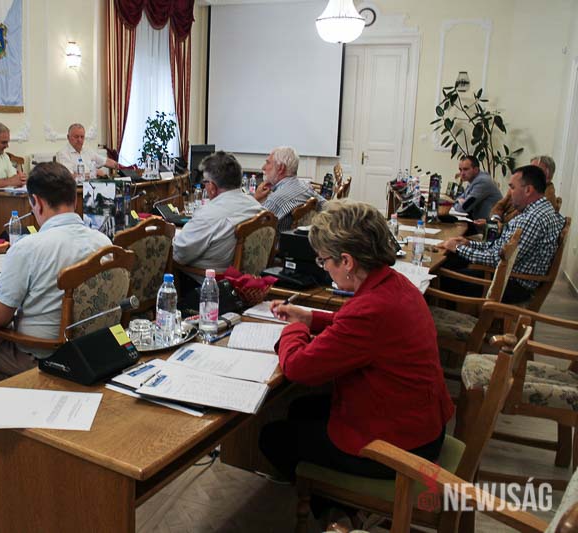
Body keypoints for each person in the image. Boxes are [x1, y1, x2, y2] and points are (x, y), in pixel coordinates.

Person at [259, 201, 453, 492]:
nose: (324, 268)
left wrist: (294, 328)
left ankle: (335, 508)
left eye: (324, 261)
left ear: (347, 262)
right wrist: (310, 317)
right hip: (420, 424)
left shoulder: (370, 309)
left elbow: (298, 367)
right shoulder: (395, 283)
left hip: (399, 448)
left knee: (273, 437)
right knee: (301, 408)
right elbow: (357, 330)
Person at [0, 161, 111, 376]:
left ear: (37, 203)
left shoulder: (26, 248)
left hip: (42, 358)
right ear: (75, 199)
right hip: (92, 349)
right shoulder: (104, 242)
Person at [437, 164, 566, 303]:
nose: (509, 193)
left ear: (528, 190)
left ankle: (449, 315)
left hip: (510, 284)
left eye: (512, 187)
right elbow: (499, 247)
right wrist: (469, 244)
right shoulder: (539, 210)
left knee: (439, 276)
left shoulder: (532, 219)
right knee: (451, 260)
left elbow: (497, 260)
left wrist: (458, 248)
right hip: (508, 275)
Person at [172, 151, 263, 282]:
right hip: (250, 284)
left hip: (206, 283)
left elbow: (178, 255)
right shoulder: (257, 207)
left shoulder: (208, 215)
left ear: (212, 187)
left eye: (205, 182)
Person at [253, 146, 326, 232]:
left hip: (281, 240)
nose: (263, 167)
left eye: (268, 163)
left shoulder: (275, 200)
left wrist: (255, 199)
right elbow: (328, 207)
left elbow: (252, 230)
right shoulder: (305, 187)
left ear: (281, 168)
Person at [484, 155, 559, 224]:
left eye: (534, 170)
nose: (529, 173)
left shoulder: (545, 198)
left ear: (547, 174)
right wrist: (495, 219)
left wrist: (498, 226)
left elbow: (520, 223)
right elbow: (499, 206)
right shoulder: (517, 188)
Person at [452, 155, 502, 221]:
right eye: (460, 170)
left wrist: (459, 202)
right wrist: (459, 201)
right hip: (478, 222)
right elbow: (459, 199)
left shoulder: (482, 181)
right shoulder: (473, 180)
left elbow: (463, 208)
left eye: (465, 169)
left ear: (475, 170)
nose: (462, 173)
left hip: (488, 224)